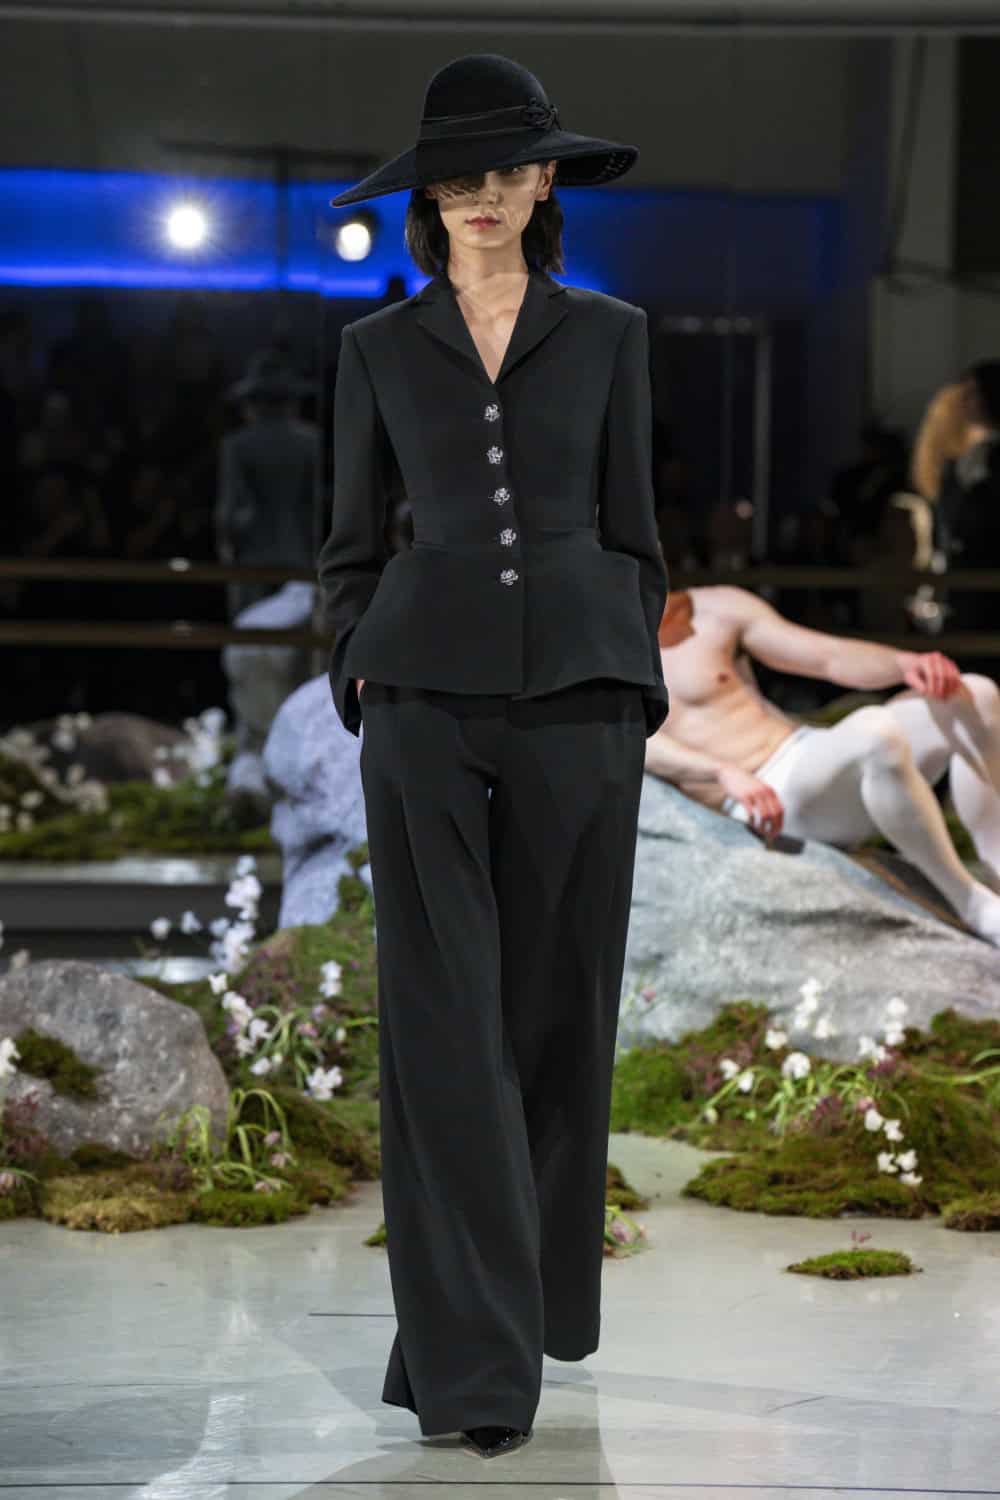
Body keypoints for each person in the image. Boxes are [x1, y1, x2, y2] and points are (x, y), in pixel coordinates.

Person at [318, 53, 668, 1460]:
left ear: (542, 184)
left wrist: (630, 665)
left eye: (506, 171)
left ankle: (492, 1319)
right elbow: (349, 541)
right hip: (419, 700)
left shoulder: (612, 334)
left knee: (553, 1019)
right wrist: (353, 658)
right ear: (430, 196)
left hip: (583, 698)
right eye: (457, 177)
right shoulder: (375, 348)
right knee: (442, 1027)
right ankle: (477, 1377)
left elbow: (638, 529)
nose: (481, 195)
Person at [647, 586, 1000, 944]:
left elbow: (826, 657)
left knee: (974, 694)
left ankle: (997, 873)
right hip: (763, 799)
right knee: (874, 733)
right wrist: (719, 771)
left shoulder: (712, 607)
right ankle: (971, 903)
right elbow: (636, 744)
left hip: (810, 754)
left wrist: (904, 664)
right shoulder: (614, 651)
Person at [216, 349, 320, 619]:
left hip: (252, 558)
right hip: (299, 556)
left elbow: (229, 510)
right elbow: (317, 506)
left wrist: (228, 551)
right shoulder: (311, 442)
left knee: (252, 633)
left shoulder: (237, 445)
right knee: (297, 635)